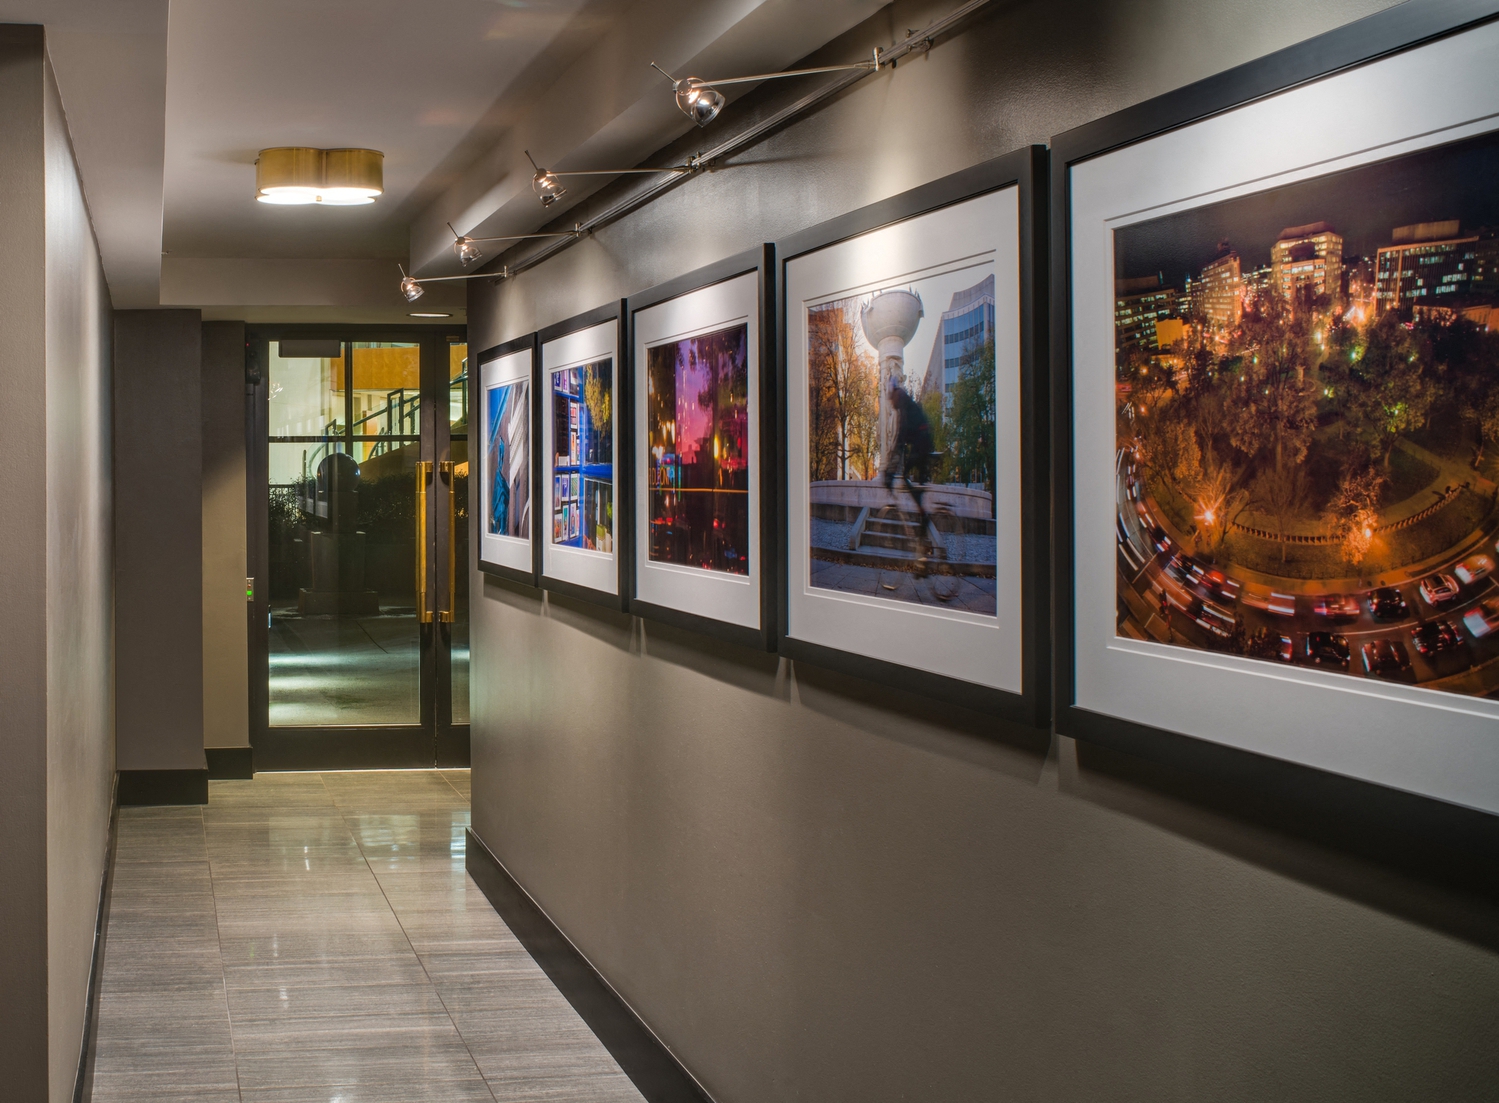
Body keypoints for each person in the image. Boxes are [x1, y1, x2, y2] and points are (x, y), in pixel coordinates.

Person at [882, 377, 936, 552]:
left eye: (891, 397)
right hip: (922, 442)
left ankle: (923, 517)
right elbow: (901, 440)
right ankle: (923, 537)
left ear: (895, 393)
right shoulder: (904, 403)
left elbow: (899, 439)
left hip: (922, 443)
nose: (891, 402)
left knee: (905, 476)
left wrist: (889, 472)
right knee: (915, 483)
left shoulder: (903, 404)